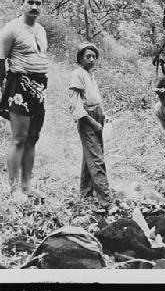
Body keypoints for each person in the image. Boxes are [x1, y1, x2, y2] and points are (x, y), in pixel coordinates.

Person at [0, 0, 48, 202]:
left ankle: (27, 185)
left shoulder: (41, 30)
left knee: (33, 138)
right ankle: (14, 188)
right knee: (19, 138)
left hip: (39, 87)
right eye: (30, 2)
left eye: (38, 3)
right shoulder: (11, 30)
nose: (34, 7)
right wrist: (4, 87)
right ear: (22, 4)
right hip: (18, 85)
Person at [69, 42, 110, 208]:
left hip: (97, 114)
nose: (91, 59)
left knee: (90, 157)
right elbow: (75, 104)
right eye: (88, 56)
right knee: (97, 158)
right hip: (87, 118)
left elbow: (95, 99)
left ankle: (85, 194)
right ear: (80, 58)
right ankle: (106, 201)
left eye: (94, 56)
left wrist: (103, 116)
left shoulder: (89, 74)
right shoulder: (77, 74)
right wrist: (92, 122)